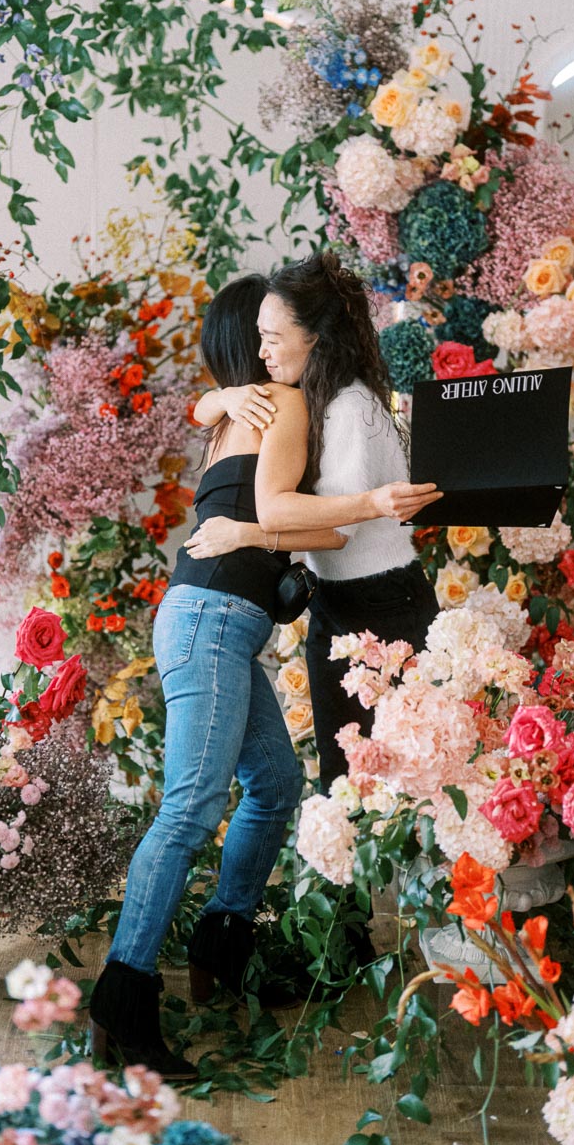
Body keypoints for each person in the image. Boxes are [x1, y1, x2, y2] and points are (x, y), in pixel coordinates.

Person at [89, 273, 349, 1079]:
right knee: (191, 808)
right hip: (209, 624)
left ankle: (221, 941)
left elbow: (218, 428)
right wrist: (366, 507)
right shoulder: (273, 403)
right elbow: (282, 516)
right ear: (252, 343)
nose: (275, 343)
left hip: (214, 626)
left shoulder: (235, 410)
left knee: (274, 784)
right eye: (264, 332)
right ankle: (122, 1001)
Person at [186, 250, 441, 794]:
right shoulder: (316, 399)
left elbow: (335, 530)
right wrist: (227, 396)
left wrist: (248, 533)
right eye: (258, 336)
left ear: (315, 338)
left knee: (388, 787)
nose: (261, 353)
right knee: (346, 781)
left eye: (273, 338)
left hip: (384, 608)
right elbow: (200, 410)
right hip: (340, 602)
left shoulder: (350, 406)